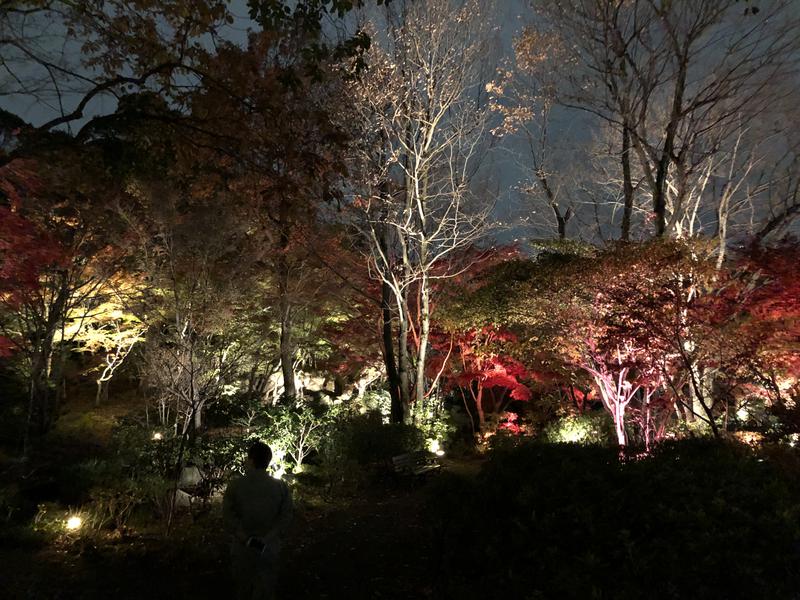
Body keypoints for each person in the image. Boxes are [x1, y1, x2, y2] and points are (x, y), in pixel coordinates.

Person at [223, 441, 293, 600]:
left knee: (243, 587)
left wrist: (245, 538)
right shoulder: (280, 487)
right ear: (268, 460)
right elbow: (286, 516)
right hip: (269, 546)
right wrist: (268, 538)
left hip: (242, 546)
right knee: (266, 588)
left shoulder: (236, 485)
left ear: (251, 459)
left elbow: (228, 516)